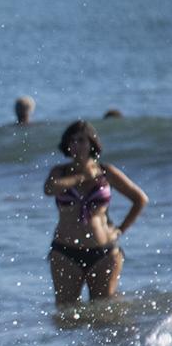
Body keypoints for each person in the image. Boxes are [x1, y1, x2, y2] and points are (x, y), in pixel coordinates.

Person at [44, 120, 148, 306]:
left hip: (104, 252)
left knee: (103, 313)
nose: (76, 145)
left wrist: (120, 230)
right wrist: (82, 177)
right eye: (72, 141)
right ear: (66, 145)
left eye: (82, 140)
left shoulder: (106, 172)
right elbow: (50, 188)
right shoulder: (60, 172)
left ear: (92, 143)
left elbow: (140, 199)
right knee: (66, 314)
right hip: (65, 252)